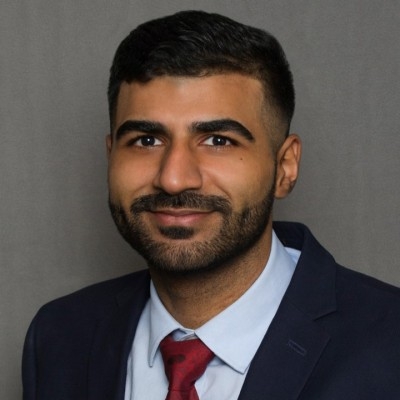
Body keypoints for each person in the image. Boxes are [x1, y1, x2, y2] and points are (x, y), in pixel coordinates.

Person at [22, 10, 400, 400]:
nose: (174, 178)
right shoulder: (58, 337)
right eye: (146, 140)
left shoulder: (390, 344)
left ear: (285, 167)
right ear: (111, 155)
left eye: (218, 140)